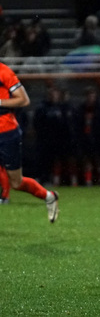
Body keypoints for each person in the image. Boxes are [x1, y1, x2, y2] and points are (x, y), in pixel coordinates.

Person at [0, 62, 59, 221]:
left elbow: (24, 100)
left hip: (6, 132)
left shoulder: (4, 72)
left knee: (16, 182)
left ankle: (49, 196)